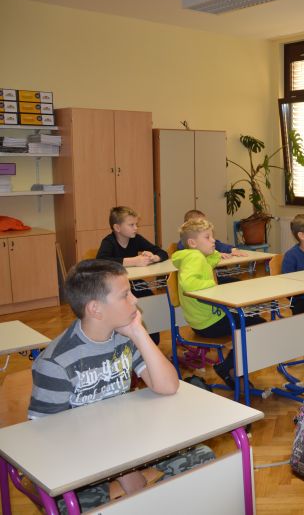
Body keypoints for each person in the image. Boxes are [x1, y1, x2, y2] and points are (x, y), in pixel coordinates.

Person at [28, 259, 214, 512]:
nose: (135, 300)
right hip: (82, 465)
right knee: (74, 507)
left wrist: (138, 332)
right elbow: (46, 440)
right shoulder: (56, 363)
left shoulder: (121, 338)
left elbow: (168, 385)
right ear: (95, 309)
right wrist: (122, 473)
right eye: (125, 295)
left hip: (127, 448)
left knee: (203, 459)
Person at [172, 218, 265, 388]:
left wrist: (214, 254)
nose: (213, 240)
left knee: (250, 320)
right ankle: (228, 367)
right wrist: (213, 285)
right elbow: (188, 283)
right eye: (207, 237)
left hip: (206, 320)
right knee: (256, 325)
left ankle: (232, 364)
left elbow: (209, 263)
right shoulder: (194, 257)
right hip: (209, 323)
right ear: (192, 243)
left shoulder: (198, 256)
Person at [96, 206, 168, 344]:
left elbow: (162, 252)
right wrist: (133, 261)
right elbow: (100, 261)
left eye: (136, 224)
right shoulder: (109, 242)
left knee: (150, 302)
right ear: (117, 227)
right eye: (131, 225)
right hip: (115, 289)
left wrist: (154, 257)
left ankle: (151, 341)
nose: (136, 228)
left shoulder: (136, 239)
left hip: (135, 284)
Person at [176, 209, 245, 257]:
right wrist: (216, 255)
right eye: (200, 224)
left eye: (205, 223)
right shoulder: (183, 245)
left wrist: (232, 249)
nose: (213, 240)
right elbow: (189, 257)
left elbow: (220, 245)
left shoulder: (209, 242)